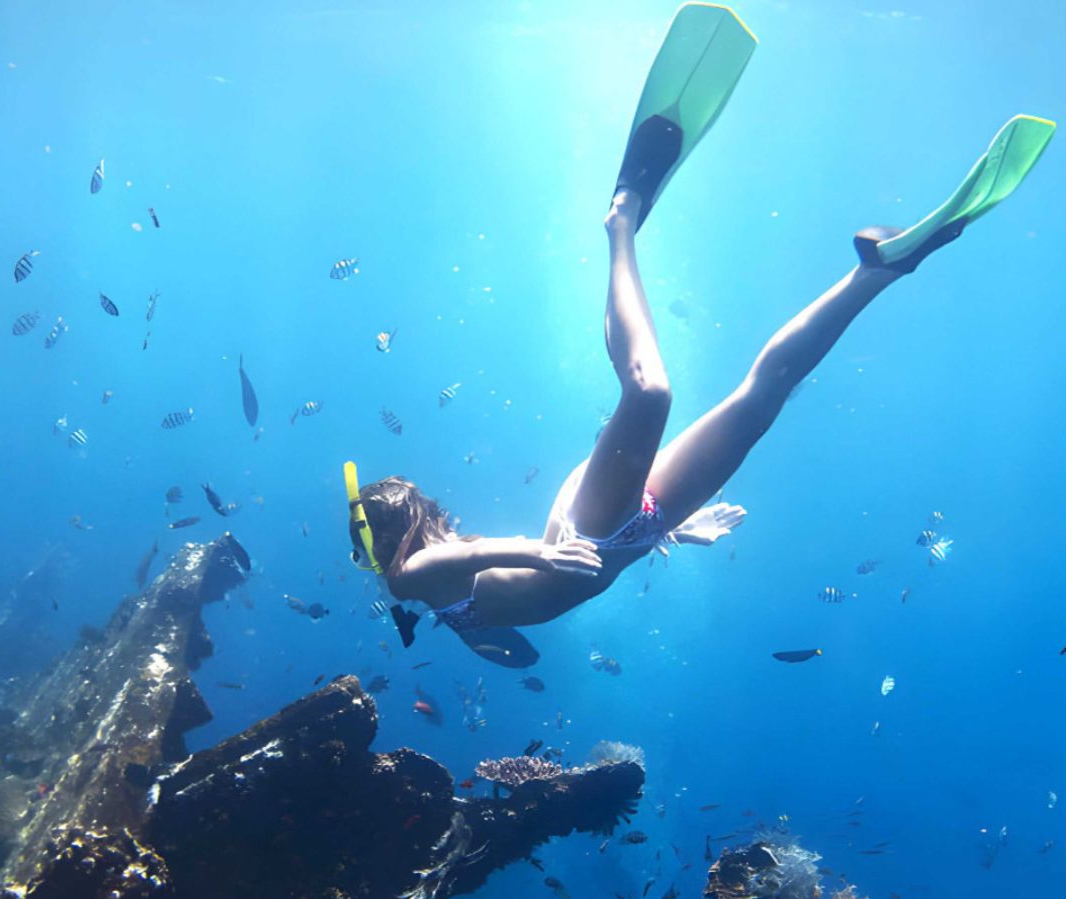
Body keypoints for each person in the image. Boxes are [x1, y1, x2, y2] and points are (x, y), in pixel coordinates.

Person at [345, 3, 1054, 658]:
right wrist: (673, 531)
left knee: (650, 394)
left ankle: (621, 218)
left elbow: (472, 560)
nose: (366, 558)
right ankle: (877, 272)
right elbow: (503, 617)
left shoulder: (413, 575)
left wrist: (539, 557)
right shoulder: (425, 601)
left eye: (364, 542)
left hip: (587, 528)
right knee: (762, 398)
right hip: (635, 528)